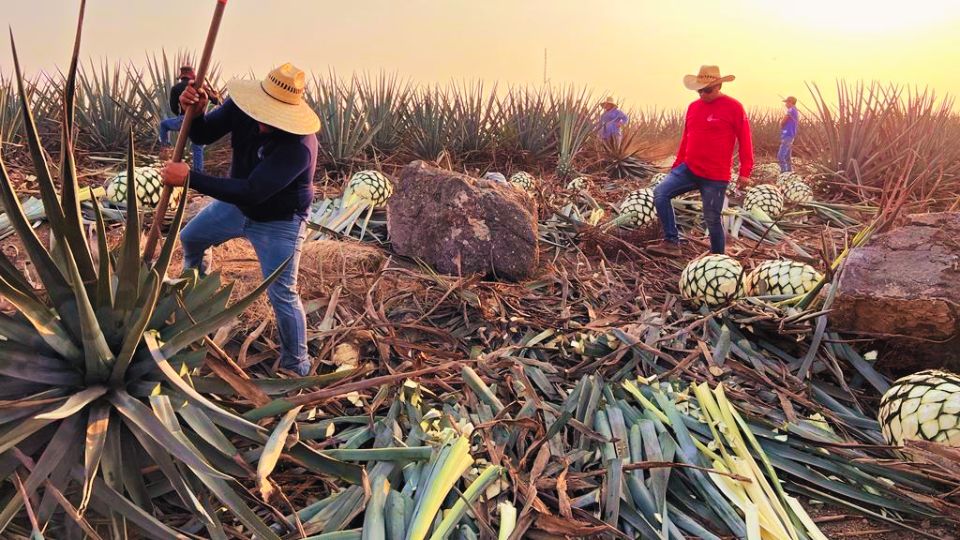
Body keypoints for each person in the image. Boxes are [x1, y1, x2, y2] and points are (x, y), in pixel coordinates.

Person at [160, 63, 320, 376]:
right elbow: (203, 134)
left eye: (274, 119)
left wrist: (190, 177)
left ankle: (297, 367)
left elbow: (253, 191)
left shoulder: (300, 147)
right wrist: (195, 110)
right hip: (235, 206)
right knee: (192, 238)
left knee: (282, 293)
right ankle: (194, 296)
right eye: (262, 113)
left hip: (279, 221)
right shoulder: (241, 106)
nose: (262, 124)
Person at [648, 65, 754, 257]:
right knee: (660, 193)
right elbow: (686, 138)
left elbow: (745, 139)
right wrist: (676, 166)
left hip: (715, 175)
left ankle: (718, 259)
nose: (702, 94)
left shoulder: (734, 107)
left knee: (712, 218)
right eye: (699, 90)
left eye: (707, 90)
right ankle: (672, 242)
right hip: (689, 168)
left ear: (719, 86)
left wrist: (746, 172)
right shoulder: (693, 107)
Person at [158, 65, 217, 172]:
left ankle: (165, 147)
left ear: (181, 77)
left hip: (183, 120)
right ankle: (198, 172)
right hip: (199, 121)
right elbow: (215, 101)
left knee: (164, 124)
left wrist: (181, 115)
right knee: (198, 146)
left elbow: (173, 107)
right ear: (192, 75)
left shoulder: (176, 88)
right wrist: (215, 95)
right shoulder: (201, 86)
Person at [778, 96, 799, 173]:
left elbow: (784, 120)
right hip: (790, 135)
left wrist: (781, 124)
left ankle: (783, 172)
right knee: (787, 155)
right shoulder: (795, 110)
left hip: (788, 134)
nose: (785, 104)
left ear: (790, 102)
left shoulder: (791, 109)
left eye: (786, 102)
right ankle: (789, 171)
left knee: (780, 155)